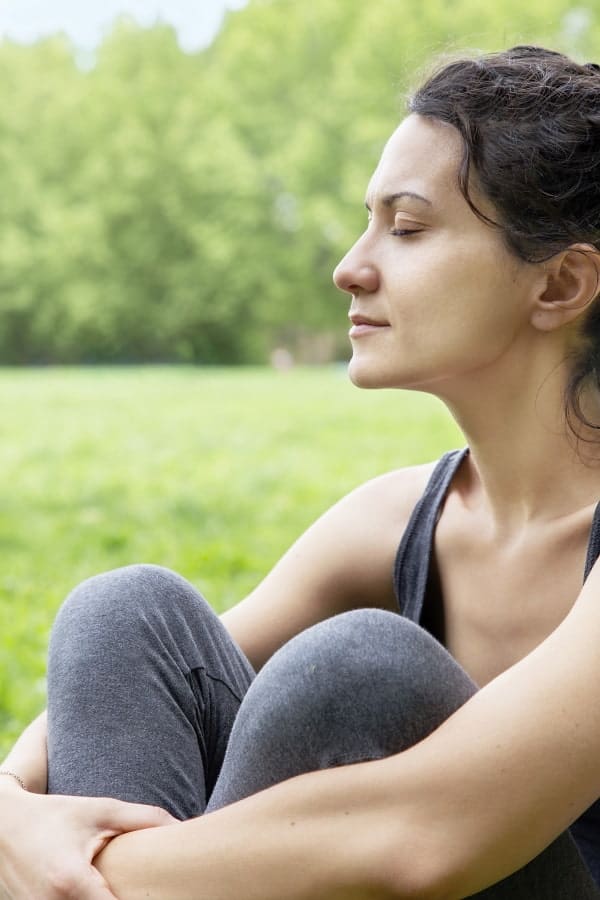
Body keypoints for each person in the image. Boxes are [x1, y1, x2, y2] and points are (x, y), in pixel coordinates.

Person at [2, 43, 600, 899]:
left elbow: (430, 834)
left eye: (407, 228)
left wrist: (80, 872)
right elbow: (118, 692)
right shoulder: (395, 521)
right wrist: (10, 813)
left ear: (560, 285)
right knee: (125, 613)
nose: (350, 267)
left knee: (362, 676)